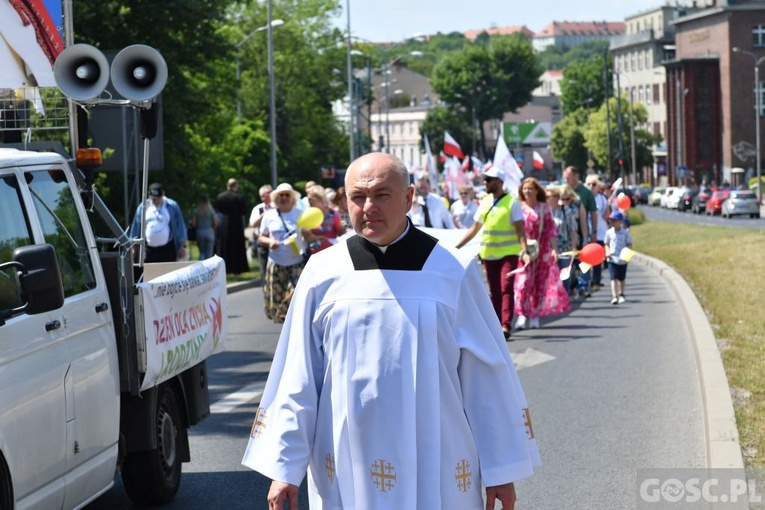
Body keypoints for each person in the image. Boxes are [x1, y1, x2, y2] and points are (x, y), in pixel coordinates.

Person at [242, 153, 539, 509]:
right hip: (346, 458)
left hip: (438, 461)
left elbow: (485, 374)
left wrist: (500, 471)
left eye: (382, 194)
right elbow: (299, 375)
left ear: (409, 198)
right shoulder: (322, 273)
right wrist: (285, 469)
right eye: (357, 197)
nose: (368, 207)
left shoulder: (452, 271)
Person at [456, 166, 531, 339]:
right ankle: (496, 325)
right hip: (489, 254)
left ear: (499, 182)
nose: (485, 183)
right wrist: (456, 247)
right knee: (494, 291)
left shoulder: (512, 202)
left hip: (509, 253)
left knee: (506, 287)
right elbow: (474, 229)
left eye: (488, 180)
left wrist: (525, 250)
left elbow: (520, 229)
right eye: (485, 179)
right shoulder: (484, 202)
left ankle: (505, 325)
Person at [513, 178, 570, 330]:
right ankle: (521, 314)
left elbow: (550, 229)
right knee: (523, 282)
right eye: (524, 189)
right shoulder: (518, 207)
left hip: (541, 249)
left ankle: (534, 315)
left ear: (537, 190)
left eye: (530, 188)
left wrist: (554, 248)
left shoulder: (543, 207)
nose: (527, 191)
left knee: (538, 283)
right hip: (522, 249)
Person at [258, 183, 314, 323]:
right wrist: (269, 242)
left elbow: (307, 234)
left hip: (296, 262)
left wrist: (319, 239)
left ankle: (293, 320)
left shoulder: (299, 214)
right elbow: (261, 236)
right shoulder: (269, 215)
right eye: (281, 195)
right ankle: (286, 324)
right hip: (276, 262)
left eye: (287, 195)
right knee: (277, 297)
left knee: (296, 293)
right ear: (276, 198)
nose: (284, 198)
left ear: (292, 198)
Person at [130, 182, 187, 263]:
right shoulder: (143, 207)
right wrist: (133, 246)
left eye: (158, 198)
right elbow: (136, 226)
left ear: (163, 194)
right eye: (153, 199)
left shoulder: (172, 206)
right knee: (150, 274)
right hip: (149, 250)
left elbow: (180, 226)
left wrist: (182, 246)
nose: (155, 201)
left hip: (168, 248)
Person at [563, 166, 597, 299]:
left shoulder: (585, 192)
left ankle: (582, 286)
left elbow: (593, 213)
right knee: (569, 261)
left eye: (568, 177)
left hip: (580, 231)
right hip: (565, 234)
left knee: (583, 260)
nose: (566, 179)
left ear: (576, 176)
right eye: (565, 177)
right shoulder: (563, 190)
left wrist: (592, 232)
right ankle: (571, 286)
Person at [547, 185, 578, 294]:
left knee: (564, 275)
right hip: (550, 249)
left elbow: (572, 229)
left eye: (549, 196)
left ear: (555, 197)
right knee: (552, 275)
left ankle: (565, 295)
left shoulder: (566, 210)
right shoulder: (546, 211)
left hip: (565, 249)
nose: (546, 198)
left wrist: (574, 247)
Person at [215, 178, 249, 274]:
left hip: (224, 223)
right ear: (235, 186)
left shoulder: (220, 197)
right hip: (236, 223)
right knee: (237, 246)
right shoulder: (239, 197)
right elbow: (244, 211)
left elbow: (219, 209)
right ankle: (237, 268)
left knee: (225, 246)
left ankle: (226, 268)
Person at [585, 175, 609, 292]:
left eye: (593, 184)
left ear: (598, 186)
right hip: (587, 232)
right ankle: (585, 281)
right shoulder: (583, 198)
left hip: (600, 232)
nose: (591, 186)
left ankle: (596, 281)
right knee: (585, 258)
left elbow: (606, 213)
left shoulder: (602, 198)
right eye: (588, 184)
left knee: (597, 258)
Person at [305, 184, 346, 253]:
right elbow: (305, 234)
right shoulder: (308, 214)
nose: (309, 200)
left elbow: (341, 233)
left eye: (312, 197)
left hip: (331, 253)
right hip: (314, 255)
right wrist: (315, 238)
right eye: (308, 198)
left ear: (321, 198)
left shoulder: (333, 214)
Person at [604, 210, 634, 305]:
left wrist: (627, 253)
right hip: (612, 258)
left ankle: (621, 294)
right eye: (611, 220)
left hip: (622, 259)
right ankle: (614, 296)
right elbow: (606, 244)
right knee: (613, 278)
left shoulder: (625, 233)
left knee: (622, 278)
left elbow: (629, 244)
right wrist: (607, 251)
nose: (612, 222)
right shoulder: (609, 233)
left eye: (614, 220)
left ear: (620, 222)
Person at [249, 184, 274, 284]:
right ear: (263, 196)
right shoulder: (258, 209)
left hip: (276, 241)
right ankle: (266, 290)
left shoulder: (277, 206)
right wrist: (263, 216)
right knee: (264, 268)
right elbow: (253, 224)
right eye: (268, 192)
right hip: (263, 242)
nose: (271, 194)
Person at [190, 194, 218, 260]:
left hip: (200, 231)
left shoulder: (197, 211)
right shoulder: (211, 210)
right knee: (209, 252)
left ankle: (202, 266)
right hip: (209, 231)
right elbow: (216, 223)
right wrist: (212, 229)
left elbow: (193, 224)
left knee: (202, 252)